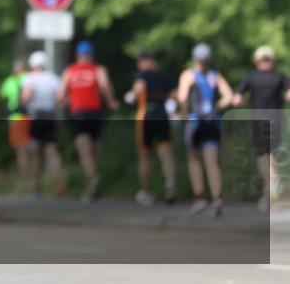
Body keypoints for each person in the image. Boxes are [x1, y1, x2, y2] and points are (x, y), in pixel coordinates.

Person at [58, 40, 119, 202]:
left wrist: (65, 103)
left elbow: (60, 96)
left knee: (84, 151)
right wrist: (111, 101)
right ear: (91, 55)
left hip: (78, 113)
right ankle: (95, 180)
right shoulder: (98, 70)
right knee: (95, 149)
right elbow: (105, 86)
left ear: (77, 55)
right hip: (95, 112)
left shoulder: (69, 71)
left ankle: (91, 181)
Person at [177, 42, 233, 217]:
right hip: (213, 121)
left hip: (195, 122)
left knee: (194, 160)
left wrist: (184, 113)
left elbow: (182, 97)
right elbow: (229, 96)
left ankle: (200, 197)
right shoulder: (215, 75)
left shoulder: (188, 75)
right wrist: (216, 105)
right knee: (213, 162)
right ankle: (217, 199)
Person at [232, 45, 290, 212]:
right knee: (272, 152)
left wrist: (242, 101)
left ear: (257, 61)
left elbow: (237, 99)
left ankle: (270, 185)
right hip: (276, 119)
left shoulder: (250, 77)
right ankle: (271, 185)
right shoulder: (279, 76)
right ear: (272, 60)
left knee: (261, 154)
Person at [124, 50, 177, 206]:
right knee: (166, 152)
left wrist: (131, 95)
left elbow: (137, 89)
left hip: (146, 115)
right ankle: (170, 186)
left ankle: (146, 191)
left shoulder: (141, 76)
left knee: (145, 155)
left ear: (141, 62)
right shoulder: (165, 76)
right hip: (163, 114)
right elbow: (174, 95)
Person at [20, 51, 64, 197]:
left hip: (35, 118)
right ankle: (59, 185)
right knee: (52, 152)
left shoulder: (29, 79)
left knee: (34, 153)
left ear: (32, 65)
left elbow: (25, 97)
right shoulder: (53, 78)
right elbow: (59, 98)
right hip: (50, 117)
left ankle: (36, 187)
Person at [0, 59, 31, 188]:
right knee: (33, 148)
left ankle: (24, 180)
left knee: (20, 151)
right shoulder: (30, 78)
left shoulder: (9, 81)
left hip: (15, 118)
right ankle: (35, 179)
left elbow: (3, 96)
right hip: (30, 116)